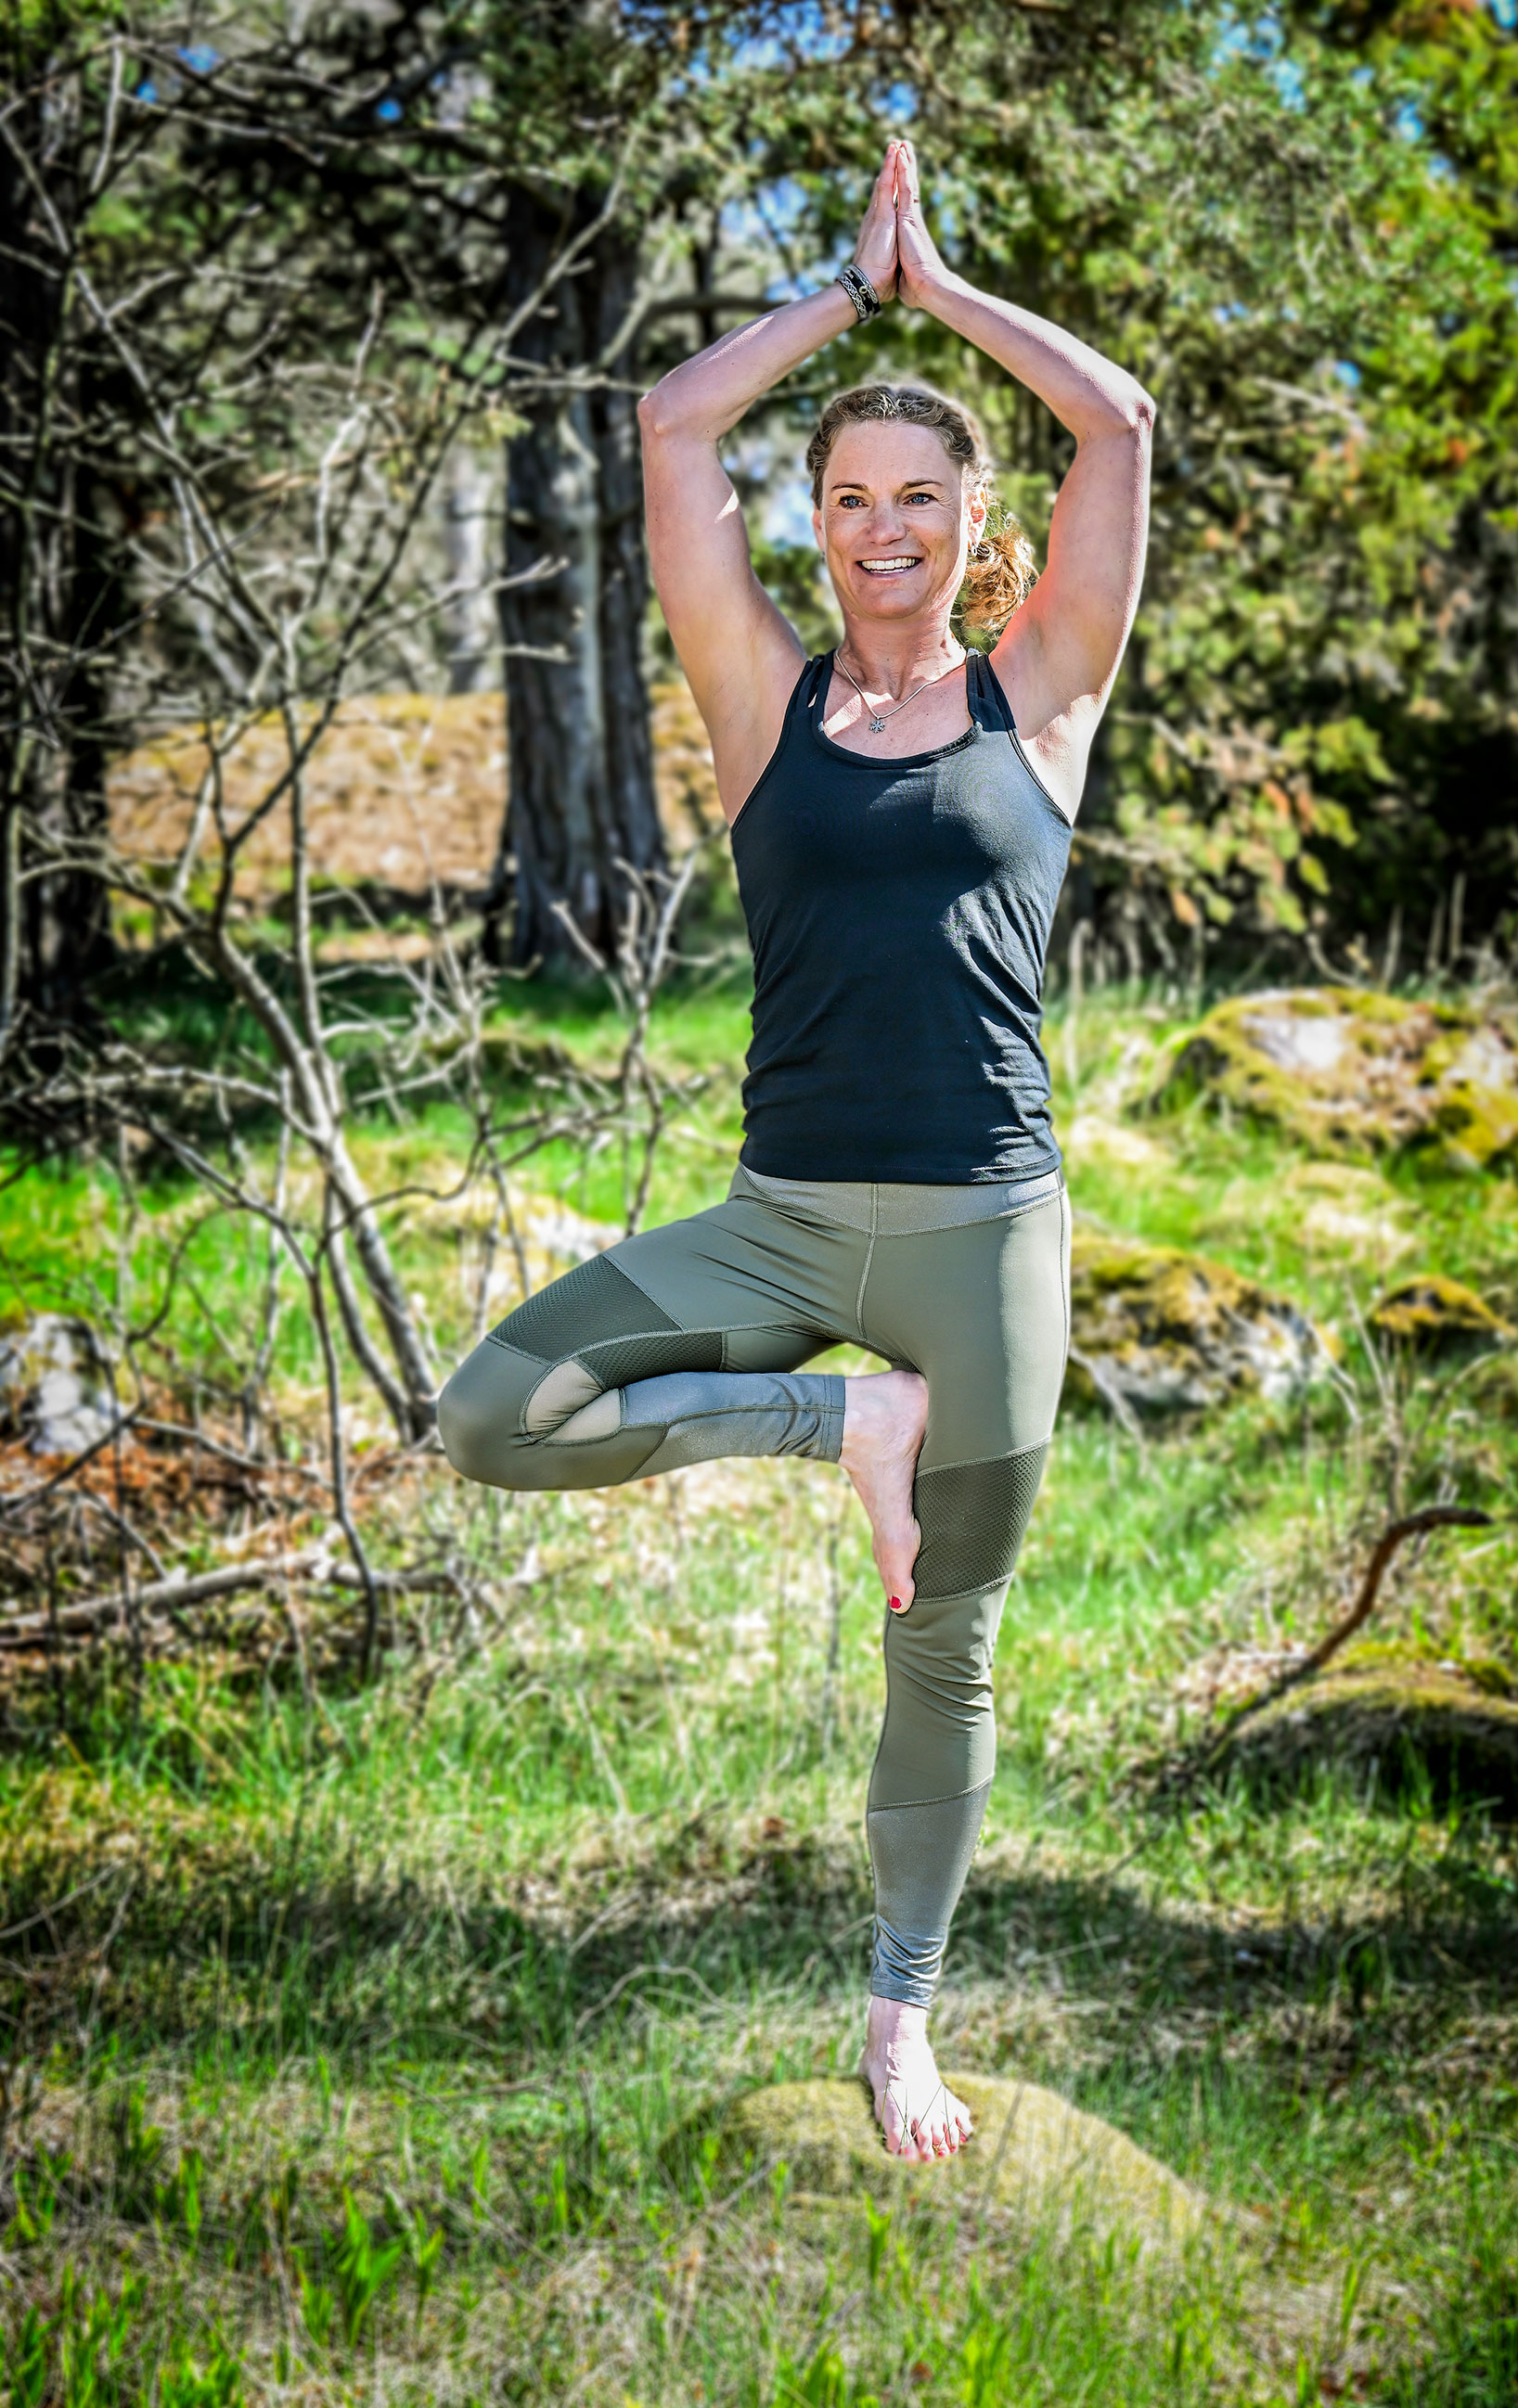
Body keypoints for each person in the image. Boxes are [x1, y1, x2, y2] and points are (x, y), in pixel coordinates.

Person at [438, 138, 1152, 2163]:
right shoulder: (766, 703)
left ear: (972, 518)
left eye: (920, 494)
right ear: (816, 524)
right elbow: (672, 422)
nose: (881, 528)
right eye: (847, 498)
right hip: (779, 1231)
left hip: (989, 1232)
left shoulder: (1047, 695)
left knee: (953, 1632)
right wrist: (846, 299)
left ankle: (899, 2017)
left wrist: (944, 293)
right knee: (496, 1407)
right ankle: (835, 1426)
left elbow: (1122, 416)